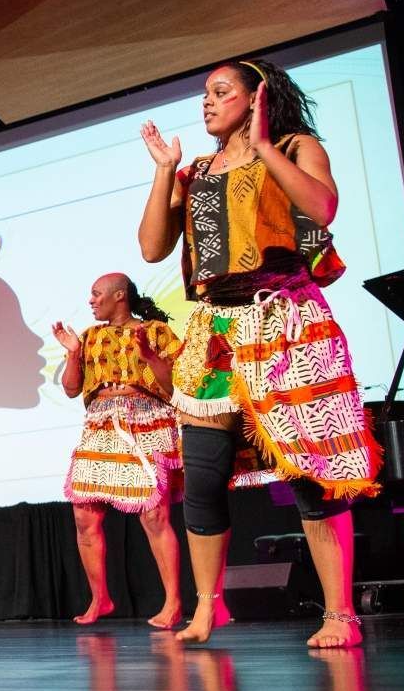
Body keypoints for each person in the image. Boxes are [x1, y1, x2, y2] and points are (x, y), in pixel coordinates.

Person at [138, 57, 381, 648]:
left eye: (221, 91)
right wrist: (165, 172)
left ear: (256, 97)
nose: (207, 102)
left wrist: (266, 144)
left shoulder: (296, 146)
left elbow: (322, 209)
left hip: (285, 322)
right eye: (204, 94)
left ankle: (340, 615)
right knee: (202, 474)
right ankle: (206, 609)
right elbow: (150, 249)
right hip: (215, 330)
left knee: (313, 476)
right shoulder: (195, 170)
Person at [52, 274, 183, 628]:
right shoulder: (90, 337)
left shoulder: (156, 332)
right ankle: (101, 599)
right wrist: (74, 354)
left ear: (119, 296)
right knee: (84, 517)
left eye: (96, 294)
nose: (91, 301)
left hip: (146, 419)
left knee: (154, 516)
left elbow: (179, 384)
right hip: (100, 423)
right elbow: (70, 389)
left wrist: (151, 359)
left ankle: (172, 603)